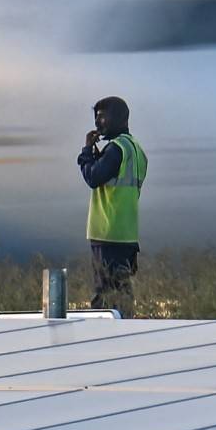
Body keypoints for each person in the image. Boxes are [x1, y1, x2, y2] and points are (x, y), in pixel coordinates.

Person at [77, 96, 147, 317]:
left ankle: (102, 343)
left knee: (105, 296)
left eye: (102, 117)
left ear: (117, 118)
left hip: (107, 232)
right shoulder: (136, 150)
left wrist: (86, 152)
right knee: (122, 292)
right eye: (96, 117)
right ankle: (126, 335)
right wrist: (99, 155)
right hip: (127, 233)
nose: (98, 123)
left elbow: (94, 177)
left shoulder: (116, 149)